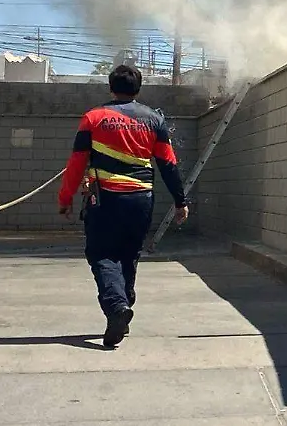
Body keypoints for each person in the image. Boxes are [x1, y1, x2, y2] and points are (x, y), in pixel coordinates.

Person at [57, 65, 189, 348]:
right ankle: (123, 308)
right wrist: (180, 201)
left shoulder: (93, 117)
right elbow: (168, 165)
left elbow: (77, 162)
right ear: (138, 90)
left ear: (110, 87)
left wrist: (65, 198)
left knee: (102, 255)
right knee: (129, 255)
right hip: (141, 200)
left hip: (104, 200)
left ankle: (117, 308)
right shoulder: (154, 119)